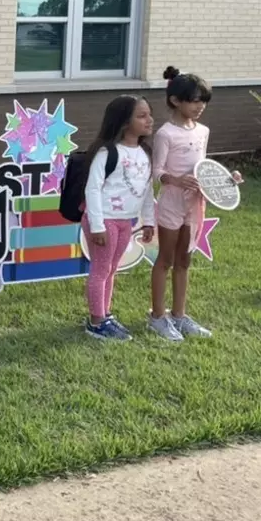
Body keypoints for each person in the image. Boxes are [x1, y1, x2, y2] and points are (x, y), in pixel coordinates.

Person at [148, 66, 240, 341]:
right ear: (176, 100)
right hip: (171, 204)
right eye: (195, 100)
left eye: (204, 101)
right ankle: (157, 317)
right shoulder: (166, 134)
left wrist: (228, 179)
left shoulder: (203, 131)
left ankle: (179, 314)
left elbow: (203, 168)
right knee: (165, 259)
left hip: (194, 206)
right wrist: (174, 180)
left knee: (184, 260)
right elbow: (156, 171)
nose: (200, 106)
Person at [82, 95, 156, 340]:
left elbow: (146, 191)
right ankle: (96, 322)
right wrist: (97, 225)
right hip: (104, 220)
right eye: (141, 116)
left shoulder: (145, 152)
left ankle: (105, 313)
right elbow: (92, 188)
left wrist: (148, 221)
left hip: (126, 221)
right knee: (101, 269)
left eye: (149, 114)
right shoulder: (108, 152)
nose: (149, 120)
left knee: (112, 268)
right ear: (124, 122)